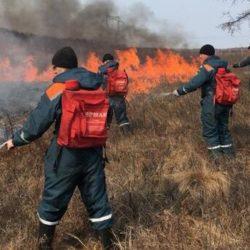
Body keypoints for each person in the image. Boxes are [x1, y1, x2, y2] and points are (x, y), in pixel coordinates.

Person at [5, 47, 114, 249]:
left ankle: (44, 245)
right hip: (93, 153)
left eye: (53, 68)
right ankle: (109, 245)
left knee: (53, 200)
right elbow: (108, 114)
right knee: (98, 199)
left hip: (66, 155)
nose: (53, 73)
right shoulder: (98, 84)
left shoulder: (59, 88)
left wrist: (16, 140)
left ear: (58, 67)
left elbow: (36, 125)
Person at [172, 44, 235, 159]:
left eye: (200, 55)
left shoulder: (207, 67)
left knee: (210, 131)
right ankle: (230, 157)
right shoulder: (224, 66)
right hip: (226, 103)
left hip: (212, 103)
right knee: (223, 129)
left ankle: (217, 161)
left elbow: (194, 84)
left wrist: (180, 91)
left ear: (204, 54)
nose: (199, 58)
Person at [99, 53, 131, 134]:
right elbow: (126, 82)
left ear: (104, 61)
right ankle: (129, 138)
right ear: (112, 60)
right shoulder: (118, 70)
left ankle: (105, 140)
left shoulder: (102, 71)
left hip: (106, 98)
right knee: (122, 120)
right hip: (119, 98)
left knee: (105, 121)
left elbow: (98, 84)